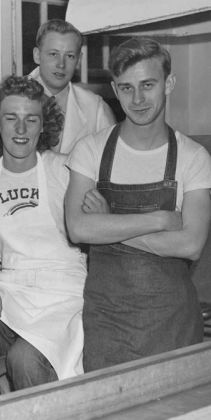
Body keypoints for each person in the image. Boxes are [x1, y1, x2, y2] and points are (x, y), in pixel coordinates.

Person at [65, 37, 211, 372]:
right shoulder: (90, 151)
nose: (138, 99)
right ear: (115, 90)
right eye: (127, 88)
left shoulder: (193, 157)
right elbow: (78, 228)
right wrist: (159, 219)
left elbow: (190, 244)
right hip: (107, 320)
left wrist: (108, 222)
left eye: (148, 85)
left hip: (172, 318)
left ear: (169, 83)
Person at [0, 75, 86, 392]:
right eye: (11, 118)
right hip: (13, 282)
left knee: (26, 359)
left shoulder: (67, 169)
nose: (21, 130)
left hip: (65, 289)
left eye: (31, 119)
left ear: (44, 125)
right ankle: (4, 387)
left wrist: (96, 208)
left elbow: (92, 231)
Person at [0, 19, 116, 154]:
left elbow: (109, 165)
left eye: (69, 56)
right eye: (53, 54)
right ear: (37, 55)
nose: (61, 64)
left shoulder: (95, 108)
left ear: (79, 60)